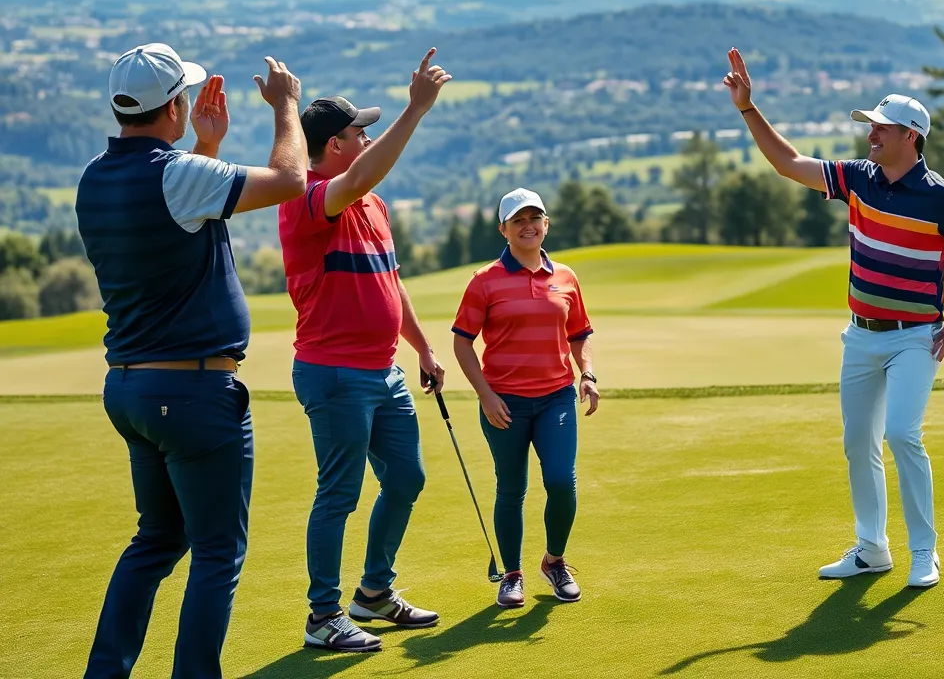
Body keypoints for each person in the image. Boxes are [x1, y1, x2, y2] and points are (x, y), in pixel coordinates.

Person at [723, 47, 944, 588]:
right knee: (858, 444)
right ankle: (872, 548)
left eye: (882, 128)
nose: (871, 134)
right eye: (871, 126)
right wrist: (748, 109)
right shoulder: (857, 178)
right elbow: (788, 164)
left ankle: (925, 551)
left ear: (910, 137)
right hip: (861, 336)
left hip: (916, 336)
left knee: (902, 434)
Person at [77, 44, 308, 679]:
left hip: (131, 389)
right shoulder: (175, 175)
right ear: (174, 105)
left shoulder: (96, 175)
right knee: (216, 552)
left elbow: (175, 222)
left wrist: (203, 148)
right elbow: (291, 181)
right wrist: (286, 108)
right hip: (195, 394)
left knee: (156, 541)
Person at [279, 48, 452, 653]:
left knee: (406, 478)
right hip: (333, 373)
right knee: (340, 494)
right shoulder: (309, 199)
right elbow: (358, 179)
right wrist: (415, 110)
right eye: (360, 130)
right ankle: (322, 616)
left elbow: (389, 281)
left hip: (384, 372)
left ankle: (373, 593)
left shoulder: (372, 206)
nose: (366, 136)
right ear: (334, 146)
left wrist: (425, 349)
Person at [451, 188, 600, 609]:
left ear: (546, 224)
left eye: (535, 218)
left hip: (555, 397)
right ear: (504, 229)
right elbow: (463, 343)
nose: (528, 226)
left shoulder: (566, 277)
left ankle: (554, 561)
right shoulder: (485, 281)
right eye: (518, 220)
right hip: (504, 404)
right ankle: (512, 575)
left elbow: (580, 332)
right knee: (511, 488)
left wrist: (586, 374)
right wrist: (486, 395)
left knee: (560, 481)